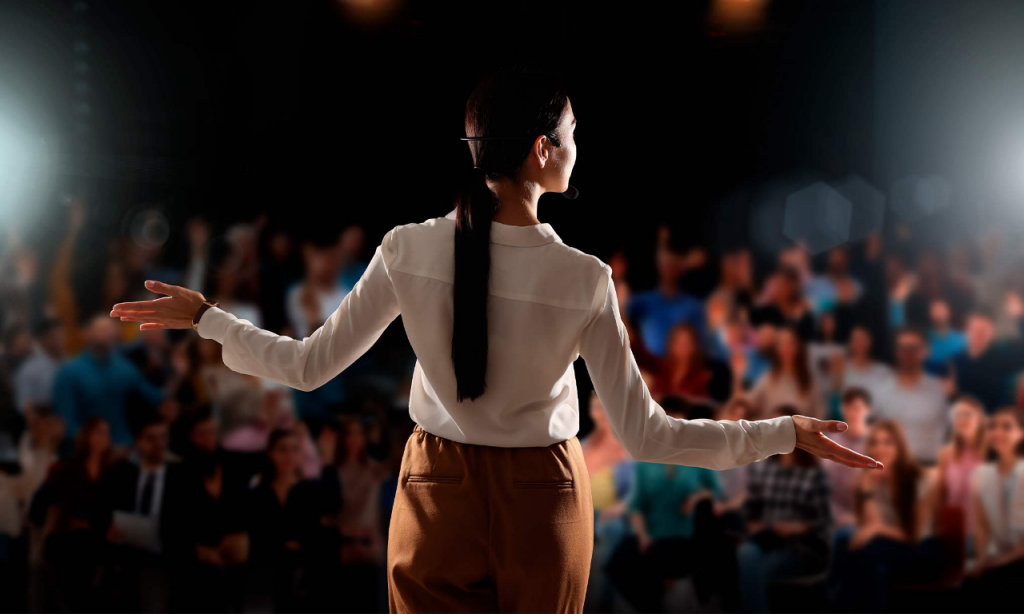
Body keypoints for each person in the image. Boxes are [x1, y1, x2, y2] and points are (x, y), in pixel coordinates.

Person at [109, 69, 878, 613]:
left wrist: (210, 318)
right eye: (573, 131)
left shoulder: (407, 247)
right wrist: (785, 433)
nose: (579, 143)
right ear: (543, 149)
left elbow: (306, 367)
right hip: (543, 496)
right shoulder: (582, 278)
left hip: (433, 490)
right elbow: (650, 435)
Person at [831, 420, 941, 612]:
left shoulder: (921, 479)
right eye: (874, 442)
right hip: (884, 547)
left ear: (899, 446)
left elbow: (912, 535)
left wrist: (877, 529)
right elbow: (870, 528)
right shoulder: (868, 479)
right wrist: (867, 490)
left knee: (859, 549)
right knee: (858, 552)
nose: (880, 448)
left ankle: (835, 603)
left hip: (920, 549)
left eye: (888, 442)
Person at [737, 406, 833, 613]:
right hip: (766, 540)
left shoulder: (814, 474)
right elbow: (751, 509)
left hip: (802, 548)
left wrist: (797, 528)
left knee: (756, 569)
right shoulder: (762, 468)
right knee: (746, 553)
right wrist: (754, 524)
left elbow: (824, 522)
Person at [51, 314, 168, 446]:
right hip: (86, 451)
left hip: (123, 445)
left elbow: (155, 397)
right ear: (87, 333)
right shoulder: (69, 372)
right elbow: (65, 422)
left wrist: (176, 377)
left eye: (109, 329)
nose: (106, 334)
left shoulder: (124, 368)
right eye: (100, 330)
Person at [965, 406, 1024, 611]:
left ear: (1021, 433)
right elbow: (982, 526)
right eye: (993, 426)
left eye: (1007, 427)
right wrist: (981, 560)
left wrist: (998, 563)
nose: (997, 432)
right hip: (1002, 556)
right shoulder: (982, 474)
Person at [873, 327, 949, 464]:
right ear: (896, 351)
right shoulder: (881, 391)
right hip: (890, 469)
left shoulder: (939, 391)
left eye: (914, 348)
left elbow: (950, 434)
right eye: (903, 348)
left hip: (929, 468)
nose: (908, 353)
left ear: (925, 351)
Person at [935, 395, 986, 555]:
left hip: (982, 533)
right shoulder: (946, 453)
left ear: (980, 418)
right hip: (952, 530)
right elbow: (941, 495)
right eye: (957, 415)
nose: (962, 419)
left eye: (968, 414)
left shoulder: (990, 452)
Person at [953, 308, 1024, 414]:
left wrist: (1020, 319)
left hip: (995, 421)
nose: (978, 334)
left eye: (984, 330)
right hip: (965, 421)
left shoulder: (1003, 357)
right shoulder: (955, 362)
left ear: (993, 332)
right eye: (975, 329)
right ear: (966, 330)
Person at [750, 326, 825, 419]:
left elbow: (820, 416)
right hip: (771, 432)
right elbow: (748, 406)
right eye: (782, 343)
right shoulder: (767, 379)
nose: (786, 348)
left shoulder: (810, 382)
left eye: (790, 343)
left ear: (798, 346)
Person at [825, 388, 872, 529]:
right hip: (833, 513)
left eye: (857, 408)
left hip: (865, 515)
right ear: (842, 409)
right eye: (849, 408)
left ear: (868, 410)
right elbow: (825, 484)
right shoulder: (832, 441)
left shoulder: (875, 443)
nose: (853, 413)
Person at [652, 322, 731, 403]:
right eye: (678, 342)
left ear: (695, 345)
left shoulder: (705, 374)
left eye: (687, 342)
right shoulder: (661, 371)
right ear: (670, 344)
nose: (682, 347)